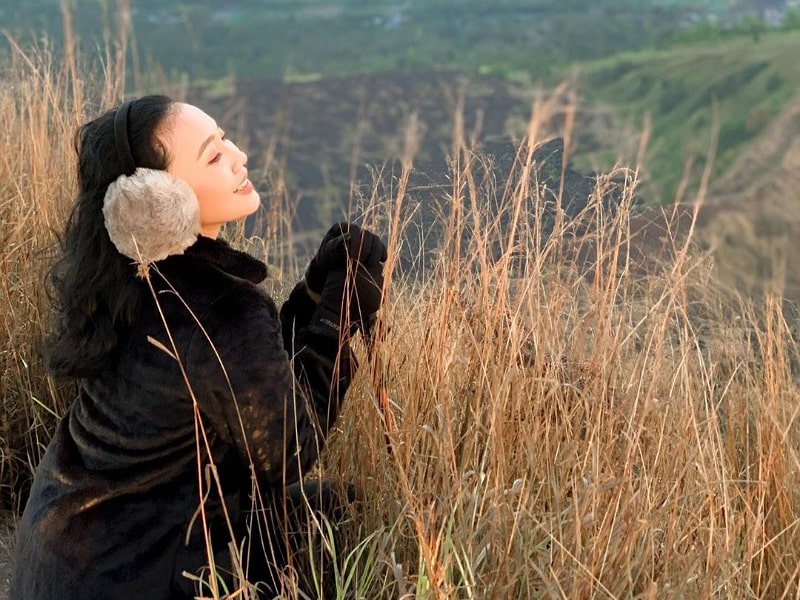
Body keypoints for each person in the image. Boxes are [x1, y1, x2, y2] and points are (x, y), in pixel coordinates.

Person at [10, 94, 387, 599]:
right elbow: (292, 447)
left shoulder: (128, 281)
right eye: (213, 155)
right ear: (153, 198)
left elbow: (248, 384)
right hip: (140, 572)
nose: (239, 156)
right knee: (340, 513)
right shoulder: (219, 308)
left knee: (323, 506)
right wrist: (340, 320)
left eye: (225, 138)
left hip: (69, 560)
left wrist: (314, 295)